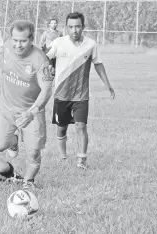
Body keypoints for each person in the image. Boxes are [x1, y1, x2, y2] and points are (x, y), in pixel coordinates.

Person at [46, 12, 115, 170]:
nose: (74, 30)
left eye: (77, 26)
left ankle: (81, 161)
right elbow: (46, 56)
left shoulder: (90, 45)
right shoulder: (59, 42)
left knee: (80, 126)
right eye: (70, 27)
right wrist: (49, 66)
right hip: (61, 94)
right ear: (66, 27)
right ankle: (63, 155)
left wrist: (107, 84)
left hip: (81, 95)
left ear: (83, 27)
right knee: (61, 127)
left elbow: (98, 64)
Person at [0, 20, 53, 189]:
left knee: (33, 152)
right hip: (6, 108)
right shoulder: (6, 47)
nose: (18, 45)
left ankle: (28, 181)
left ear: (32, 39)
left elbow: (47, 90)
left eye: (23, 41)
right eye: (15, 40)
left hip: (31, 112)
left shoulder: (41, 60)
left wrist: (32, 112)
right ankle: (14, 140)